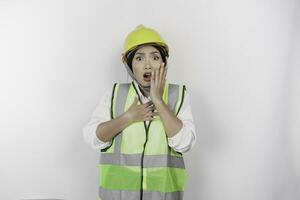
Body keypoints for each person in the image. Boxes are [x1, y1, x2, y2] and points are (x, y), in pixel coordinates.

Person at [82, 24, 197, 200]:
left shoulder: (178, 95)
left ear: (164, 63)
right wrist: (128, 117)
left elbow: (185, 143)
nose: (148, 65)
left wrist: (158, 100)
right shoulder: (115, 94)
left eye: (155, 57)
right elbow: (92, 138)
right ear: (130, 65)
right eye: (139, 58)